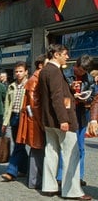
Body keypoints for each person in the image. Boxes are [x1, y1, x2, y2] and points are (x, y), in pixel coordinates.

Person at [39, 44, 89, 199]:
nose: (67, 57)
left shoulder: (45, 71)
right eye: (65, 54)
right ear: (56, 54)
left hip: (48, 120)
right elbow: (56, 97)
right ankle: (72, 191)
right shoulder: (54, 71)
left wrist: (72, 93)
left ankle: (49, 186)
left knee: (51, 152)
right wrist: (63, 119)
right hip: (61, 119)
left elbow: (53, 96)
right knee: (71, 154)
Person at [59, 54, 94, 187]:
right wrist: (72, 93)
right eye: (80, 70)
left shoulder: (89, 78)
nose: (82, 73)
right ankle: (61, 176)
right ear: (76, 65)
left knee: (80, 147)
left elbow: (93, 97)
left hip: (81, 114)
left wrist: (86, 98)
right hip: (68, 114)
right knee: (65, 146)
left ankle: (78, 176)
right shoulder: (65, 74)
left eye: (84, 72)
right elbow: (59, 95)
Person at [16, 54, 47, 189]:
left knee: (37, 150)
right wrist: (42, 123)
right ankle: (35, 181)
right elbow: (34, 105)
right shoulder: (36, 80)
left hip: (35, 120)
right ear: (41, 65)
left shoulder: (36, 78)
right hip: (35, 121)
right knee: (37, 150)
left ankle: (35, 180)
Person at [1, 61, 29, 182]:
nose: (18, 73)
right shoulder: (11, 86)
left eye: (20, 71)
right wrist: (5, 122)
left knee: (18, 144)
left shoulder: (29, 84)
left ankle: (11, 171)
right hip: (13, 116)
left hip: (24, 117)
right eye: (16, 71)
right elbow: (7, 106)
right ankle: (25, 168)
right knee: (19, 145)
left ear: (26, 72)